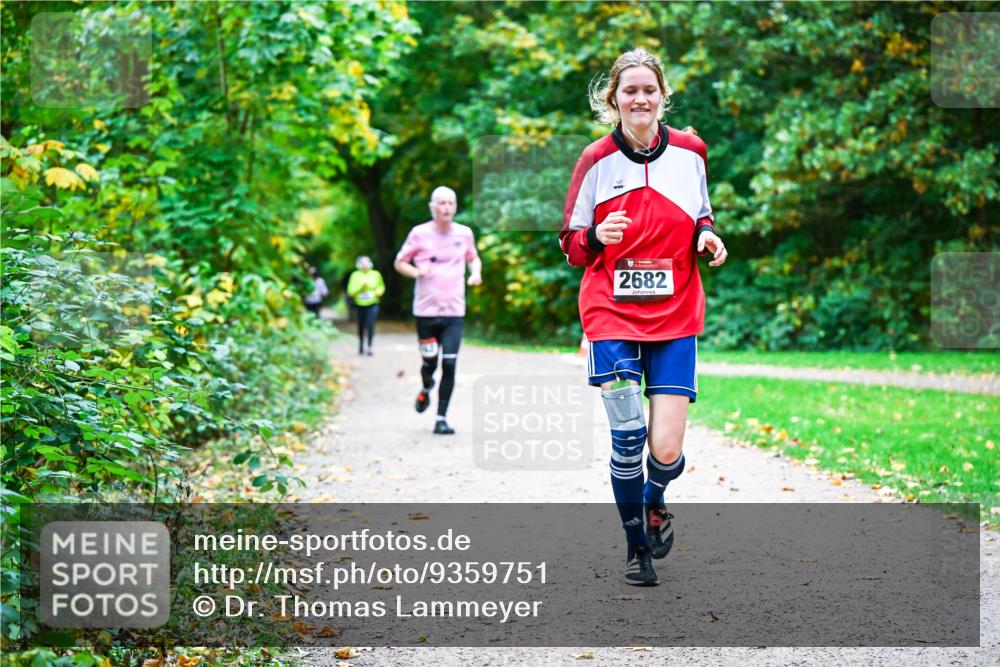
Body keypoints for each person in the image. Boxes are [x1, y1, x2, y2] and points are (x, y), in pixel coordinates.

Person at [559, 48, 728, 586]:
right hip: (610, 310)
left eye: (648, 89)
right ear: (614, 99)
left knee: (667, 448)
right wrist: (593, 237)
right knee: (629, 435)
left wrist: (707, 234)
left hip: (676, 312)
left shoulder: (691, 152)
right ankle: (637, 546)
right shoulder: (593, 160)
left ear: (662, 96)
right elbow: (570, 243)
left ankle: (655, 499)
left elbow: (701, 211)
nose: (639, 98)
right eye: (629, 90)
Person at [394, 186, 482, 435]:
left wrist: (475, 273)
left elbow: (473, 257)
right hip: (425, 312)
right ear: (432, 207)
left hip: (454, 312)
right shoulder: (419, 234)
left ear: (455, 207)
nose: (446, 208)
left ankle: (441, 417)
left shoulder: (464, 234)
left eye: (450, 203)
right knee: (430, 363)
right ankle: (425, 387)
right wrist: (415, 272)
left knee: (451, 363)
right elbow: (399, 261)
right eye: (441, 203)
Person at [346, 255, 385, 356]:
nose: (365, 265)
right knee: (361, 326)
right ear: (359, 265)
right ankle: (361, 345)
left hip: (372, 303)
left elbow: (381, 286)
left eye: (366, 263)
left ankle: (370, 347)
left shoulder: (376, 274)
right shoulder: (355, 275)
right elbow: (350, 291)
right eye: (363, 263)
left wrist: (378, 292)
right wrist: (361, 287)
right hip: (360, 304)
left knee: (370, 324)